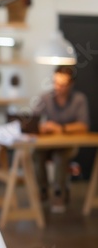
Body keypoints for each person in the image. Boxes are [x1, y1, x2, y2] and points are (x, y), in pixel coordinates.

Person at [34, 65, 89, 213]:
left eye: (63, 84)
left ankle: (59, 194)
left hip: (68, 145)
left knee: (60, 157)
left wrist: (61, 128)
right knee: (37, 154)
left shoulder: (79, 100)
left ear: (71, 84)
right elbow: (33, 121)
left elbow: (83, 126)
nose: (58, 87)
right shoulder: (45, 98)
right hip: (49, 144)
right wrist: (42, 127)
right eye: (56, 83)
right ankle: (42, 190)